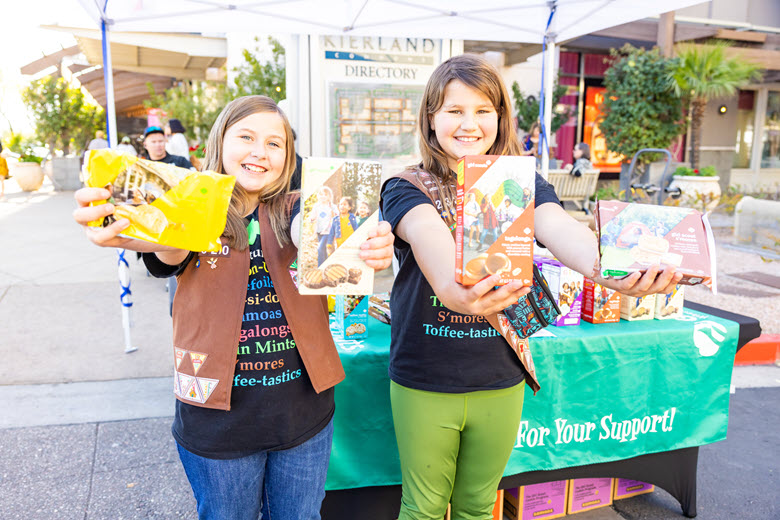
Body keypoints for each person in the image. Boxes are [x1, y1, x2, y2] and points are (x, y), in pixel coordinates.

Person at [379, 54, 680, 520]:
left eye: (483, 110)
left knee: (479, 505)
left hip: (501, 375)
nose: (469, 124)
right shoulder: (405, 187)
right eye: (454, 110)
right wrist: (455, 293)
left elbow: (564, 233)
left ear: (500, 117)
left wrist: (615, 271)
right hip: (426, 375)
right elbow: (430, 242)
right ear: (431, 118)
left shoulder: (520, 184)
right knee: (422, 507)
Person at [72, 95, 395, 520]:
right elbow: (170, 246)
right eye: (246, 136)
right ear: (220, 141)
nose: (259, 151)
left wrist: (369, 244)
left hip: (303, 418)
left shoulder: (298, 206)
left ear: (288, 155)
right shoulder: (192, 207)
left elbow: (311, 227)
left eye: (274, 143)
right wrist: (131, 230)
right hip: (217, 426)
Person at [311, 186, 337, 264]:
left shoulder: (332, 206)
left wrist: (334, 214)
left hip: (328, 231)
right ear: (318, 196)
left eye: (325, 195)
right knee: (323, 250)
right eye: (321, 194)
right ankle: (327, 264)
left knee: (320, 248)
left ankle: (320, 267)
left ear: (329, 196)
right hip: (319, 230)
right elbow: (312, 217)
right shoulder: (316, 206)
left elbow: (337, 216)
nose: (323, 196)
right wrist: (312, 219)